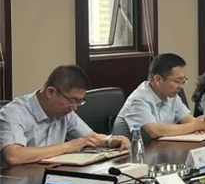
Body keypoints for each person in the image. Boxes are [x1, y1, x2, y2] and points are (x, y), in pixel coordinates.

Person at [0, 65, 130, 166]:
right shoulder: (14, 113)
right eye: (72, 100)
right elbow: (14, 156)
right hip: (16, 182)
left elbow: (90, 137)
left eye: (80, 101)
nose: (75, 107)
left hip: (52, 176)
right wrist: (67, 147)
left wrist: (111, 141)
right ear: (51, 92)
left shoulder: (65, 112)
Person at [112, 53, 205, 141]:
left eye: (183, 81)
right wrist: (194, 126)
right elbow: (154, 131)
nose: (181, 86)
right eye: (177, 81)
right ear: (158, 80)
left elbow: (188, 120)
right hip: (132, 153)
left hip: (158, 150)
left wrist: (202, 122)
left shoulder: (172, 96)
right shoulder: (138, 99)